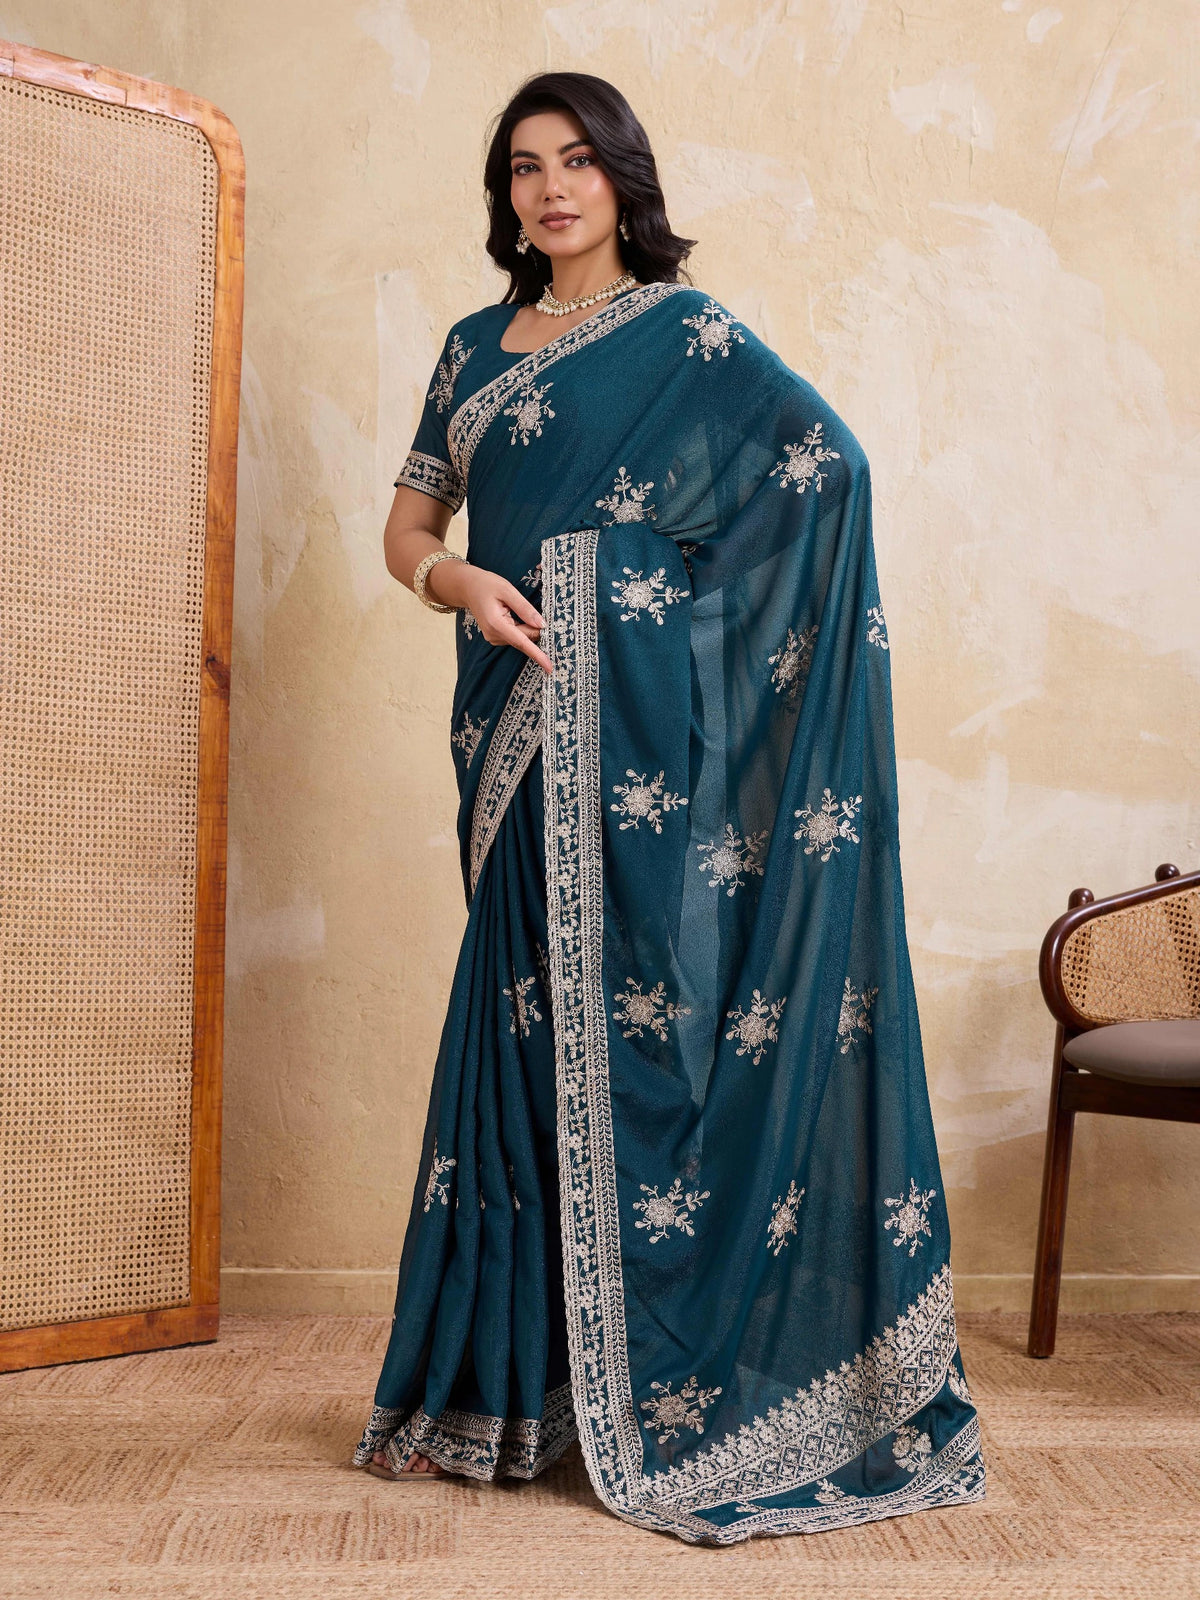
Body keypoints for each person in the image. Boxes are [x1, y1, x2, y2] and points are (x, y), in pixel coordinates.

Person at [352, 69, 986, 1545]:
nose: (551, 189)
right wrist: (453, 578)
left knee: (617, 1033)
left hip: (623, 744)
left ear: (624, 180)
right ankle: (496, 1396)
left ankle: (642, 1381)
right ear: (503, 194)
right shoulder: (470, 347)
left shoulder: (690, 339)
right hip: (503, 739)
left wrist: (628, 599)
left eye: (578, 162)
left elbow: (825, 477)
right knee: (512, 1039)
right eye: (524, 168)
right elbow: (407, 527)